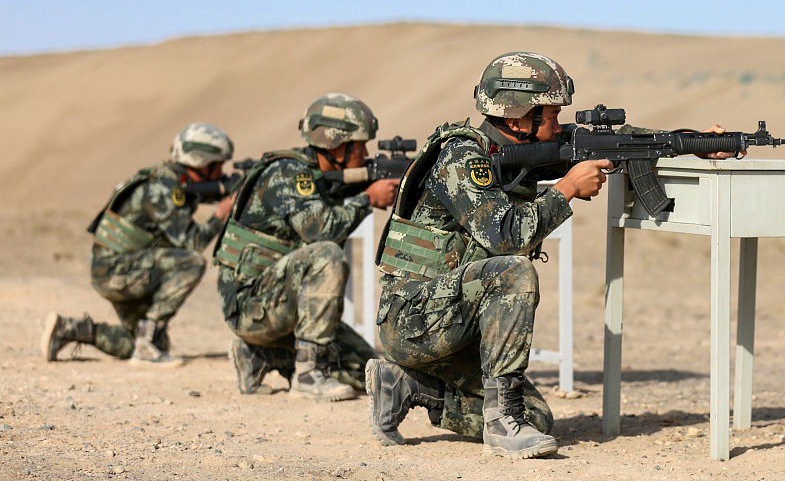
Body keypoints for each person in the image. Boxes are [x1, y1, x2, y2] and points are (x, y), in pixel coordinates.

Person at [367, 51, 737, 458]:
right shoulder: (462, 159)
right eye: (552, 116)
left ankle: (409, 386)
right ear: (518, 119)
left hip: (457, 321)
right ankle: (503, 426)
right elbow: (505, 237)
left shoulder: (512, 152)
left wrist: (691, 143)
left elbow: (620, 141)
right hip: (414, 320)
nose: (560, 126)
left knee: (539, 418)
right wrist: (567, 189)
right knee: (513, 271)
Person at [215, 93, 399, 401]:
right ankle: (308, 375)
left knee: (366, 369)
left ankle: (259, 356)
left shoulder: (316, 176)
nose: (366, 152)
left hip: (275, 304)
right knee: (326, 254)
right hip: (250, 307)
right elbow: (319, 231)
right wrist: (368, 198)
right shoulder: (288, 173)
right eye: (360, 144)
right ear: (337, 144)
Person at [43, 123, 237, 366]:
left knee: (135, 341)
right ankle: (147, 343)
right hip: (119, 271)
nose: (221, 172)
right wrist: (222, 213)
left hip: (115, 270)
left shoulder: (166, 181)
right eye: (218, 165)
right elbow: (193, 242)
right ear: (201, 161)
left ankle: (70, 329)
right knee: (192, 262)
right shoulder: (163, 189)